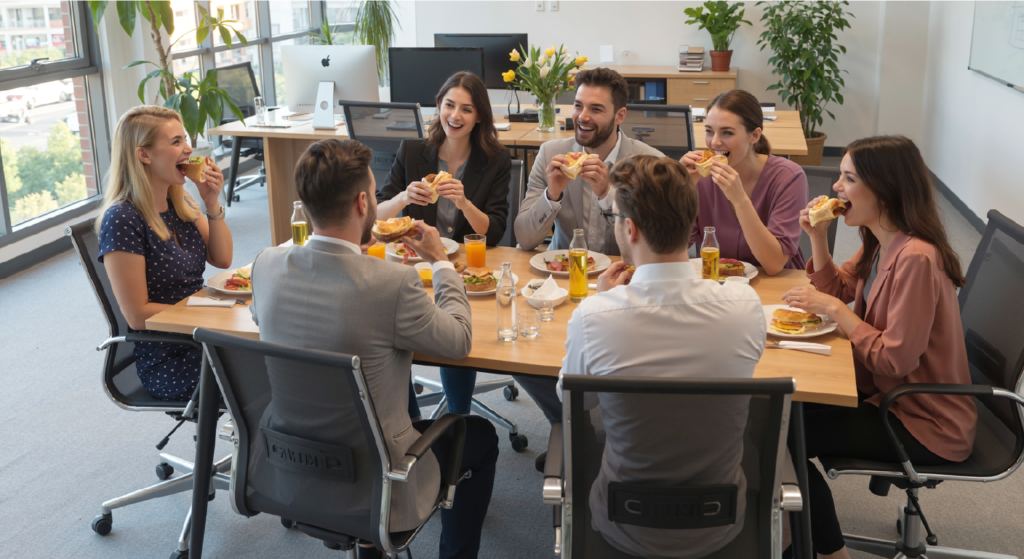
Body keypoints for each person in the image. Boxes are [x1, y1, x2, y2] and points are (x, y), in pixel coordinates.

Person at [249, 139, 498, 559]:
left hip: (289, 462)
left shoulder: (265, 264)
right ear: (364, 203)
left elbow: (268, 320)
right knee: (481, 437)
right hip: (378, 474)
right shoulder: (392, 284)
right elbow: (458, 341)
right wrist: (439, 262)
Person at [558, 154, 766, 558]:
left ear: (629, 229)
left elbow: (574, 405)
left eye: (614, 217)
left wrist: (605, 303)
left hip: (624, 519)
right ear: (690, 225)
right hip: (719, 519)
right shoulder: (744, 303)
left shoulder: (595, 316)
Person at [782, 136, 977, 559]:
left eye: (848, 178)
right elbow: (838, 287)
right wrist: (818, 238)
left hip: (924, 421)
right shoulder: (881, 240)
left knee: (783, 444)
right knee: (781, 413)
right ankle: (796, 538)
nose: (836, 187)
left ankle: (832, 554)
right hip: (887, 395)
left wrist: (838, 312)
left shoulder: (917, 258)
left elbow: (895, 357)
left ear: (884, 190)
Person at [376, 71, 511, 421]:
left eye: (467, 109)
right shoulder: (413, 151)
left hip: (465, 268)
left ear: (479, 116)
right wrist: (404, 196)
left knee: (455, 327)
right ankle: (407, 421)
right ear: (438, 106)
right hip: (414, 267)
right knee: (389, 331)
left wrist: (466, 203)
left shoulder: (494, 160)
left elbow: (494, 231)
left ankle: (458, 418)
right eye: (449, 105)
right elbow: (375, 216)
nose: (455, 116)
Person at [96, 105, 230, 401]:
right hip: (172, 356)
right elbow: (137, 315)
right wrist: (206, 310)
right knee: (271, 373)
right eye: (176, 142)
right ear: (144, 155)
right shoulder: (122, 219)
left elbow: (222, 259)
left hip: (204, 334)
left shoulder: (180, 200)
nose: (189, 148)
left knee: (285, 355)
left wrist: (212, 203)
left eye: (185, 139)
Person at [515, 67, 665, 257]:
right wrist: (551, 196)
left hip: (620, 277)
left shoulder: (652, 164)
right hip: (563, 275)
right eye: (578, 106)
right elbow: (524, 240)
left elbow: (656, 247)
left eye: (596, 109)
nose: (582, 117)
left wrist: (607, 195)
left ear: (620, 116)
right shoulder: (549, 154)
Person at [681, 89, 808, 275]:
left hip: (778, 285)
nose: (714, 143)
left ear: (755, 136)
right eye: (709, 131)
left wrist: (740, 200)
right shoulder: (700, 178)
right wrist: (678, 189)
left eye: (727, 133)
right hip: (717, 283)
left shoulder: (789, 177)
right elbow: (671, 249)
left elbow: (773, 264)